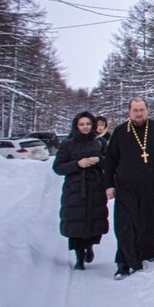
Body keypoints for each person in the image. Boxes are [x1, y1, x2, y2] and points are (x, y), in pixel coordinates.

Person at [104, 97, 154, 280]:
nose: (139, 114)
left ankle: (143, 252)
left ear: (147, 110)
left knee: (149, 222)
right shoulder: (121, 132)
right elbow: (110, 159)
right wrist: (108, 185)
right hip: (126, 185)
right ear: (129, 112)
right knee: (126, 224)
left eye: (141, 110)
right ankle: (123, 263)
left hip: (153, 184)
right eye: (135, 110)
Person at [52, 111, 109, 271]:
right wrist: (77, 164)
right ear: (76, 126)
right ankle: (79, 256)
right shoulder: (68, 144)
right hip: (75, 189)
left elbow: (110, 161)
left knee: (94, 219)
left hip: (95, 186)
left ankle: (89, 246)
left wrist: (99, 160)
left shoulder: (100, 143)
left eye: (88, 124)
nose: (85, 127)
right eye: (82, 124)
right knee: (76, 221)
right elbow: (58, 167)